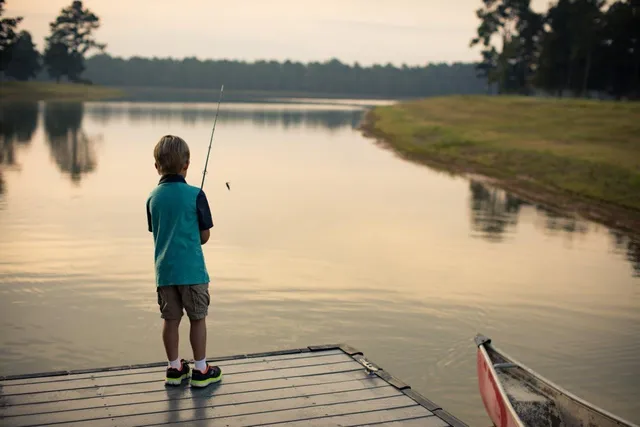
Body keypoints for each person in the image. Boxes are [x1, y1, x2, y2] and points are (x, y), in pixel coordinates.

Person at [146, 134, 222, 387]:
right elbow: (204, 236)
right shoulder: (196, 195)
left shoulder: (152, 198)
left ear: (157, 166)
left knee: (171, 320)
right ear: (186, 165)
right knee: (197, 318)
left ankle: (174, 368)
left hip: (165, 272)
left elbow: (158, 231)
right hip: (192, 272)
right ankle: (201, 370)